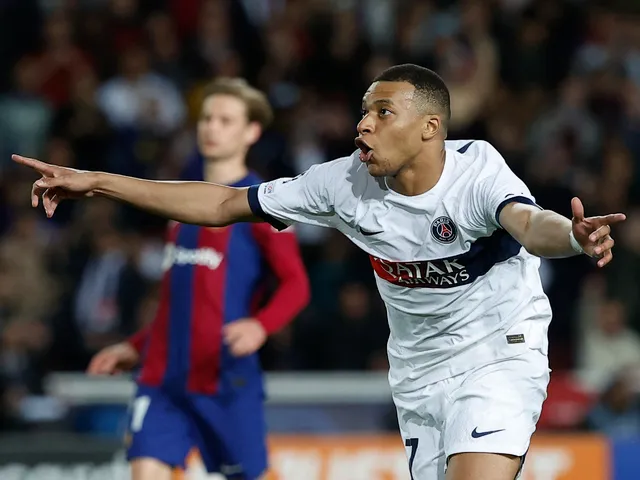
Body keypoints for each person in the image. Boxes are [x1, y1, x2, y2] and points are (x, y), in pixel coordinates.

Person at [14, 64, 625, 480]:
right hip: (418, 372)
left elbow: (530, 225)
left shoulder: (477, 172)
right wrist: (99, 182)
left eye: (383, 112)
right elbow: (223, 203)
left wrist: (572, 238)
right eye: (364, 112)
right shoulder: (342, 184)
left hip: (497, 353)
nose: (364, 124)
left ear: (430, 128)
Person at [85, 78, 310, 480]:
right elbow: (178, 301)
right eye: (206, 118)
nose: (211, 127)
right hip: (162, 378)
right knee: (144, 470)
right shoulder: (178, 205)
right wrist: (136, 346)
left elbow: (297, 284)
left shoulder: (263, 204)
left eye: (225, 120)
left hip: (225, 378)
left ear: (251, 131)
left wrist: (261, 325)